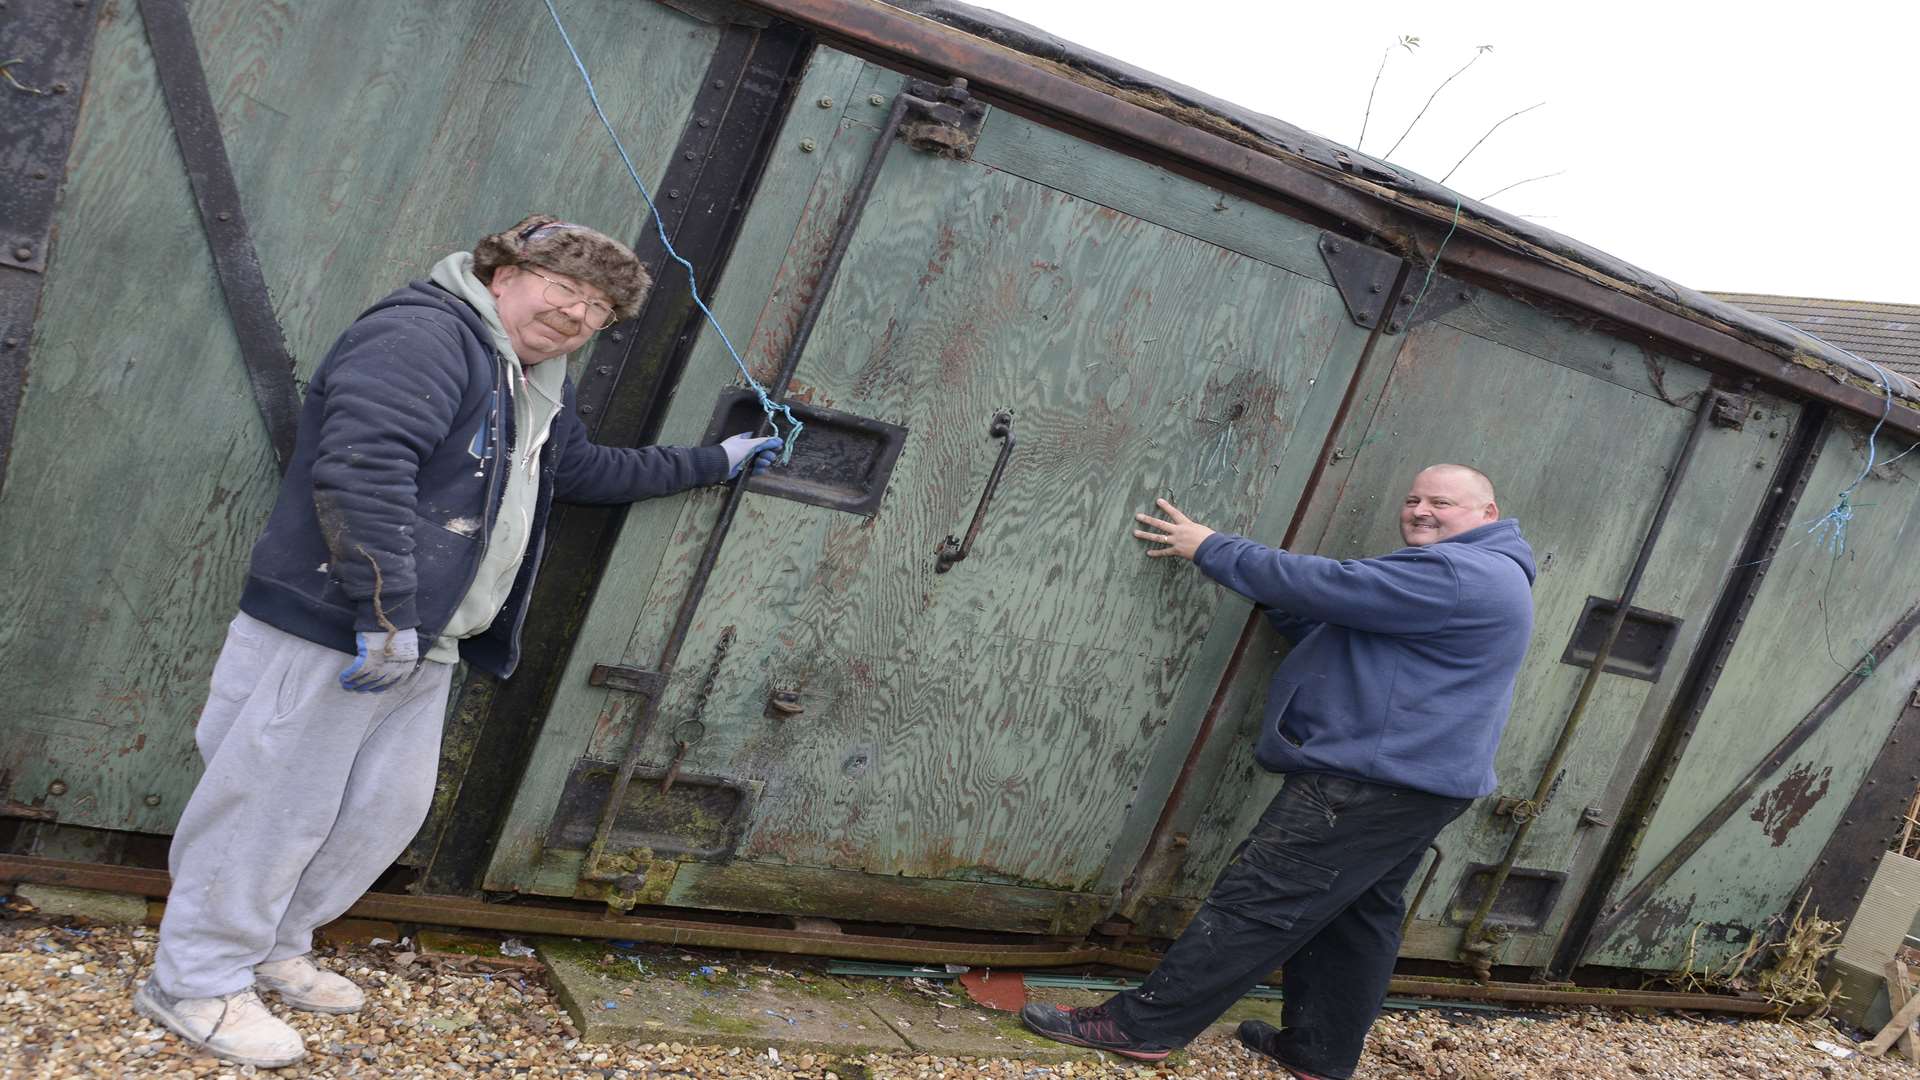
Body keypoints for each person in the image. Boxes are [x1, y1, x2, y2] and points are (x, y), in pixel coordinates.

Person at [133, 215, 783, 1068]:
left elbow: (579, 472)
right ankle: (193, 980)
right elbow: (364, 468)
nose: (580, 317)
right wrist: (382, 612)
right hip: (344, 628)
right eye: (565, 290)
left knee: (380, 812)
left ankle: (269, 946)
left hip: (424, 642)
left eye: (599, 310)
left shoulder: (532, 375)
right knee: (269, 808)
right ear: (504, 271)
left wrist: (716, 460)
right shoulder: (423, 335)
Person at [1022, 465, 1536, 1080]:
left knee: (1259, 899)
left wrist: (1212, 548)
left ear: (1486, 512)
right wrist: (1272, 592)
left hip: (1369, 782)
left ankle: (1142, 1027)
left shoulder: (1459, 572)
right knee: (1355, 919)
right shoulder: (1482, 574)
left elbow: (1331, 585)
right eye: (1413, 497)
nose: (1421, 510)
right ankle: (1318, 1053)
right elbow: (1337, 625)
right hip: (1415, 784)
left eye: (1441, 502)